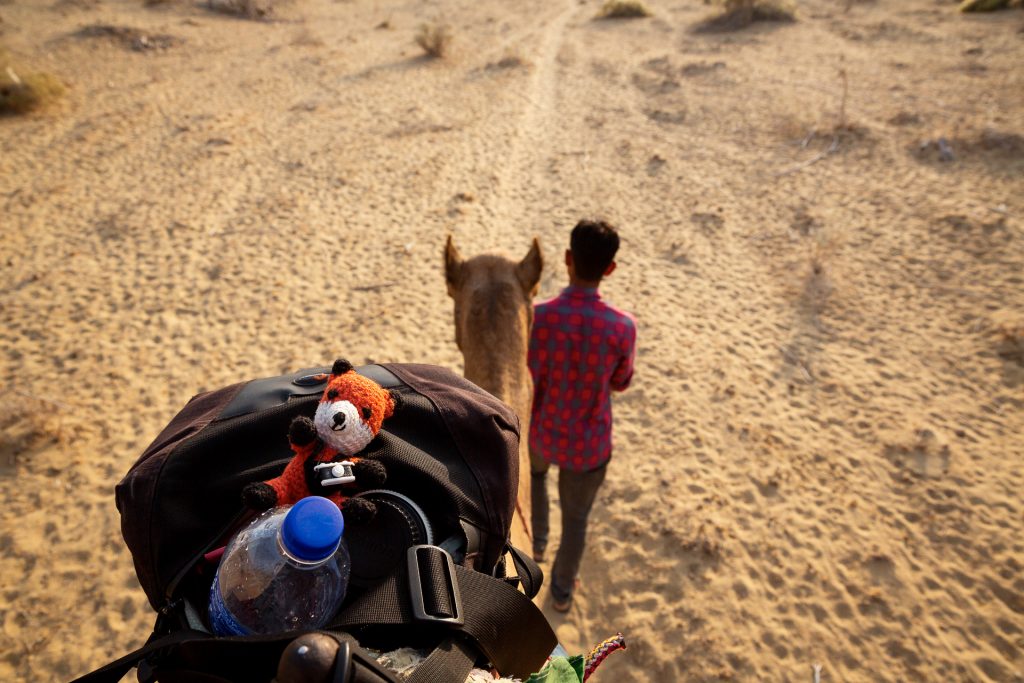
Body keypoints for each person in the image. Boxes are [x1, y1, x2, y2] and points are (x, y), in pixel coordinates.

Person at [528, 219, 637, 613]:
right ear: (610, 269)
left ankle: (536, 542)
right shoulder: (622, 327)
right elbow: (621, 382)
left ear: (568, 258)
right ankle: (560, 592)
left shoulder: (538, 316)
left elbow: (530, 377)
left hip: (542, 432)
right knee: (576, 519)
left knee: (537, 477)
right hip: (589, 445)